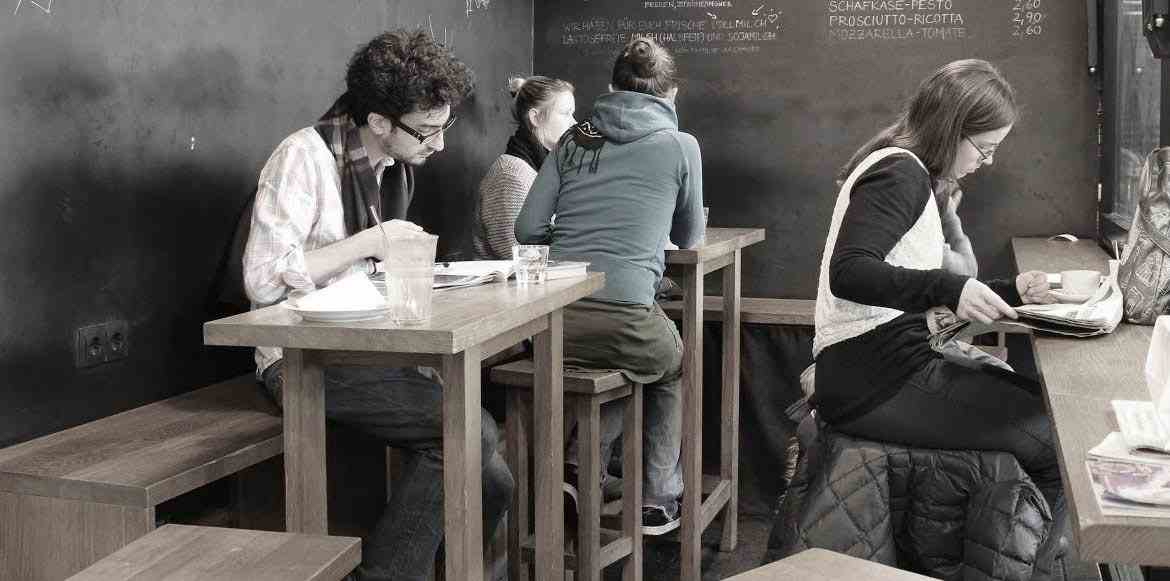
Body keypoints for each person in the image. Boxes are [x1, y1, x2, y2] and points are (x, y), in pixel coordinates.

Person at [241, 30, 512, 581]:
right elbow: (262, 281)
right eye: (427, 130)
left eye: (444, 127)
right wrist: (371, 242)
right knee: (469, 431)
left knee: (495, 482)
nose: (439, 145)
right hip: (301, 359)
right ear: (380, 121)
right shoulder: (304, 157)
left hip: (369, 345)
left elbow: (365, 276)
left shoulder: (386, 167)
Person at [812, 59, 1066, 578]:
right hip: (870, 376)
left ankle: (1029, 559)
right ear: (953, 129)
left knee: (1043, 410)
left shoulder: (912, 175)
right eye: (985, 148)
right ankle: (1040, 567)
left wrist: (1010, 291)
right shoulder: (898, 173)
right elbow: (850, 271)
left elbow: (910, 282)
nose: (987, 162)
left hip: (886, 363)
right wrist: (951, 288)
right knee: (1052, 436)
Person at [515, 35, 704, 534]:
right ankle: (658, 497)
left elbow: (526, 230)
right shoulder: (680, 146)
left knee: (622, 359)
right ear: (672, 94)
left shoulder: (574, 139)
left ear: (611, 89)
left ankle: (578, 469)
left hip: (552, 323)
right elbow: (689, 237)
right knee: (669, 361)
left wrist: (574, 240)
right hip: (626, 321)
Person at [474, 75, 576, 260]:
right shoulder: (510, 175)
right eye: (565, 113)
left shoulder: (542, 171)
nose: (574, 123)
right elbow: (520, 257)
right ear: (535, 118)